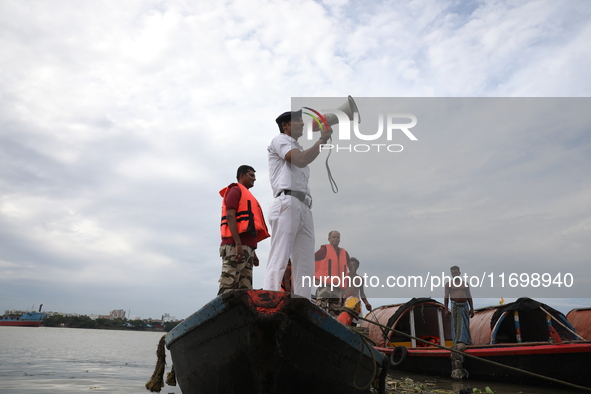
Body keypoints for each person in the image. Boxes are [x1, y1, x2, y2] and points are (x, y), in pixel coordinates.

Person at [263, 109, 333, 299]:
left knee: (305, 262)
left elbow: (303, 158)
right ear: (285, 126)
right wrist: (321, 140)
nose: (302, 124)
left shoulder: (298, 147)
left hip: (303, 206)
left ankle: (303, 302)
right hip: (287, 202)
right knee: (280, 255)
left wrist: (321, 141)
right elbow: (300, 160)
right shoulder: (280, 140)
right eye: (298, 121)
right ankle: (270, 298)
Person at [218, 165, 270, 295]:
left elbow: (249, 227)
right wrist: (238, 244)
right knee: (228, 286)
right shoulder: (235, 191)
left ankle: (240, 315)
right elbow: (230, 216)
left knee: (244, 290)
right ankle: (222, 315)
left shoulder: (248, 196)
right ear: (242, 176)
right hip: (234, 246)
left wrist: (253, 253)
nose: (255, 179)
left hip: (247, 248)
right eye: (251, 175)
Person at [314, 230, 351, 316]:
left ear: (340, 239)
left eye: (338, 237)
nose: (336, 239)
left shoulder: (344, 253)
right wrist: (315, 278)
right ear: (329, 239)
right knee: (320, 307)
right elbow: (311, 260)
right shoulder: (324, 249)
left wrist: (347, 282)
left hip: (337, 287)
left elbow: (351, 268)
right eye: (334, 237)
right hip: (325, 285)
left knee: (335, 311)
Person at [444, 265, 474, 345]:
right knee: (456, 324)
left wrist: (472, 308)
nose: (454, 275)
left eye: (455, 273)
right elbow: (446, 297)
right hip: (455, 306)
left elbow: (469, 296)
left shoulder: (465, 284)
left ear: (459, 273)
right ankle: (458, 342)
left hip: (464, 306)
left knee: (465, 324)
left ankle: (466, 342)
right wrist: (446, 309)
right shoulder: (449, 284)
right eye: (452, 273)